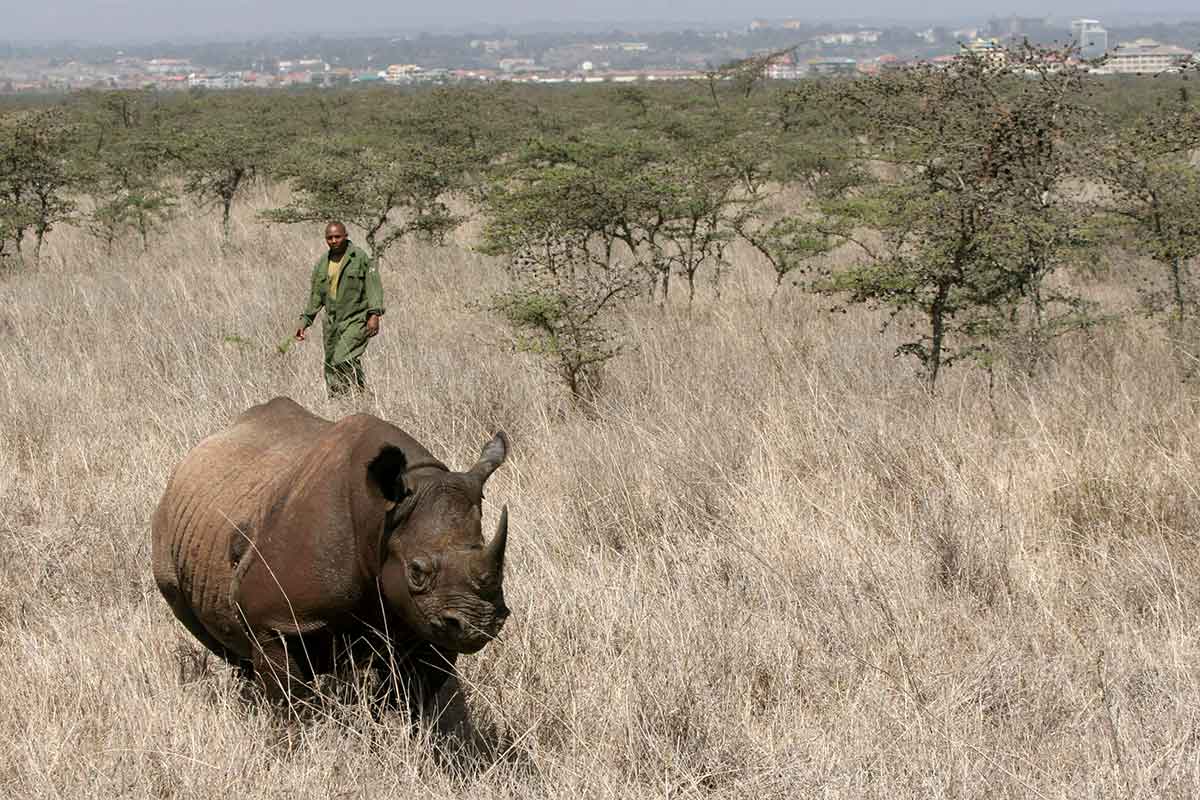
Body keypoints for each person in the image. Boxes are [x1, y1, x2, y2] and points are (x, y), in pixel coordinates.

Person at [294, 222, 385, 396]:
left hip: (356, 318)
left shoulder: (359, 258)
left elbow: (373, 287)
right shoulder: (322, 263)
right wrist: (304, 322)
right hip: (332, 322)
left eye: (337, 236)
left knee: (343, 356)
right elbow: (315, 298)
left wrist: (374, 314)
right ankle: (341, 400)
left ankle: (358, 393)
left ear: (346, 235)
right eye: (329, 238)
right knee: (330, 364)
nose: (334, 240)